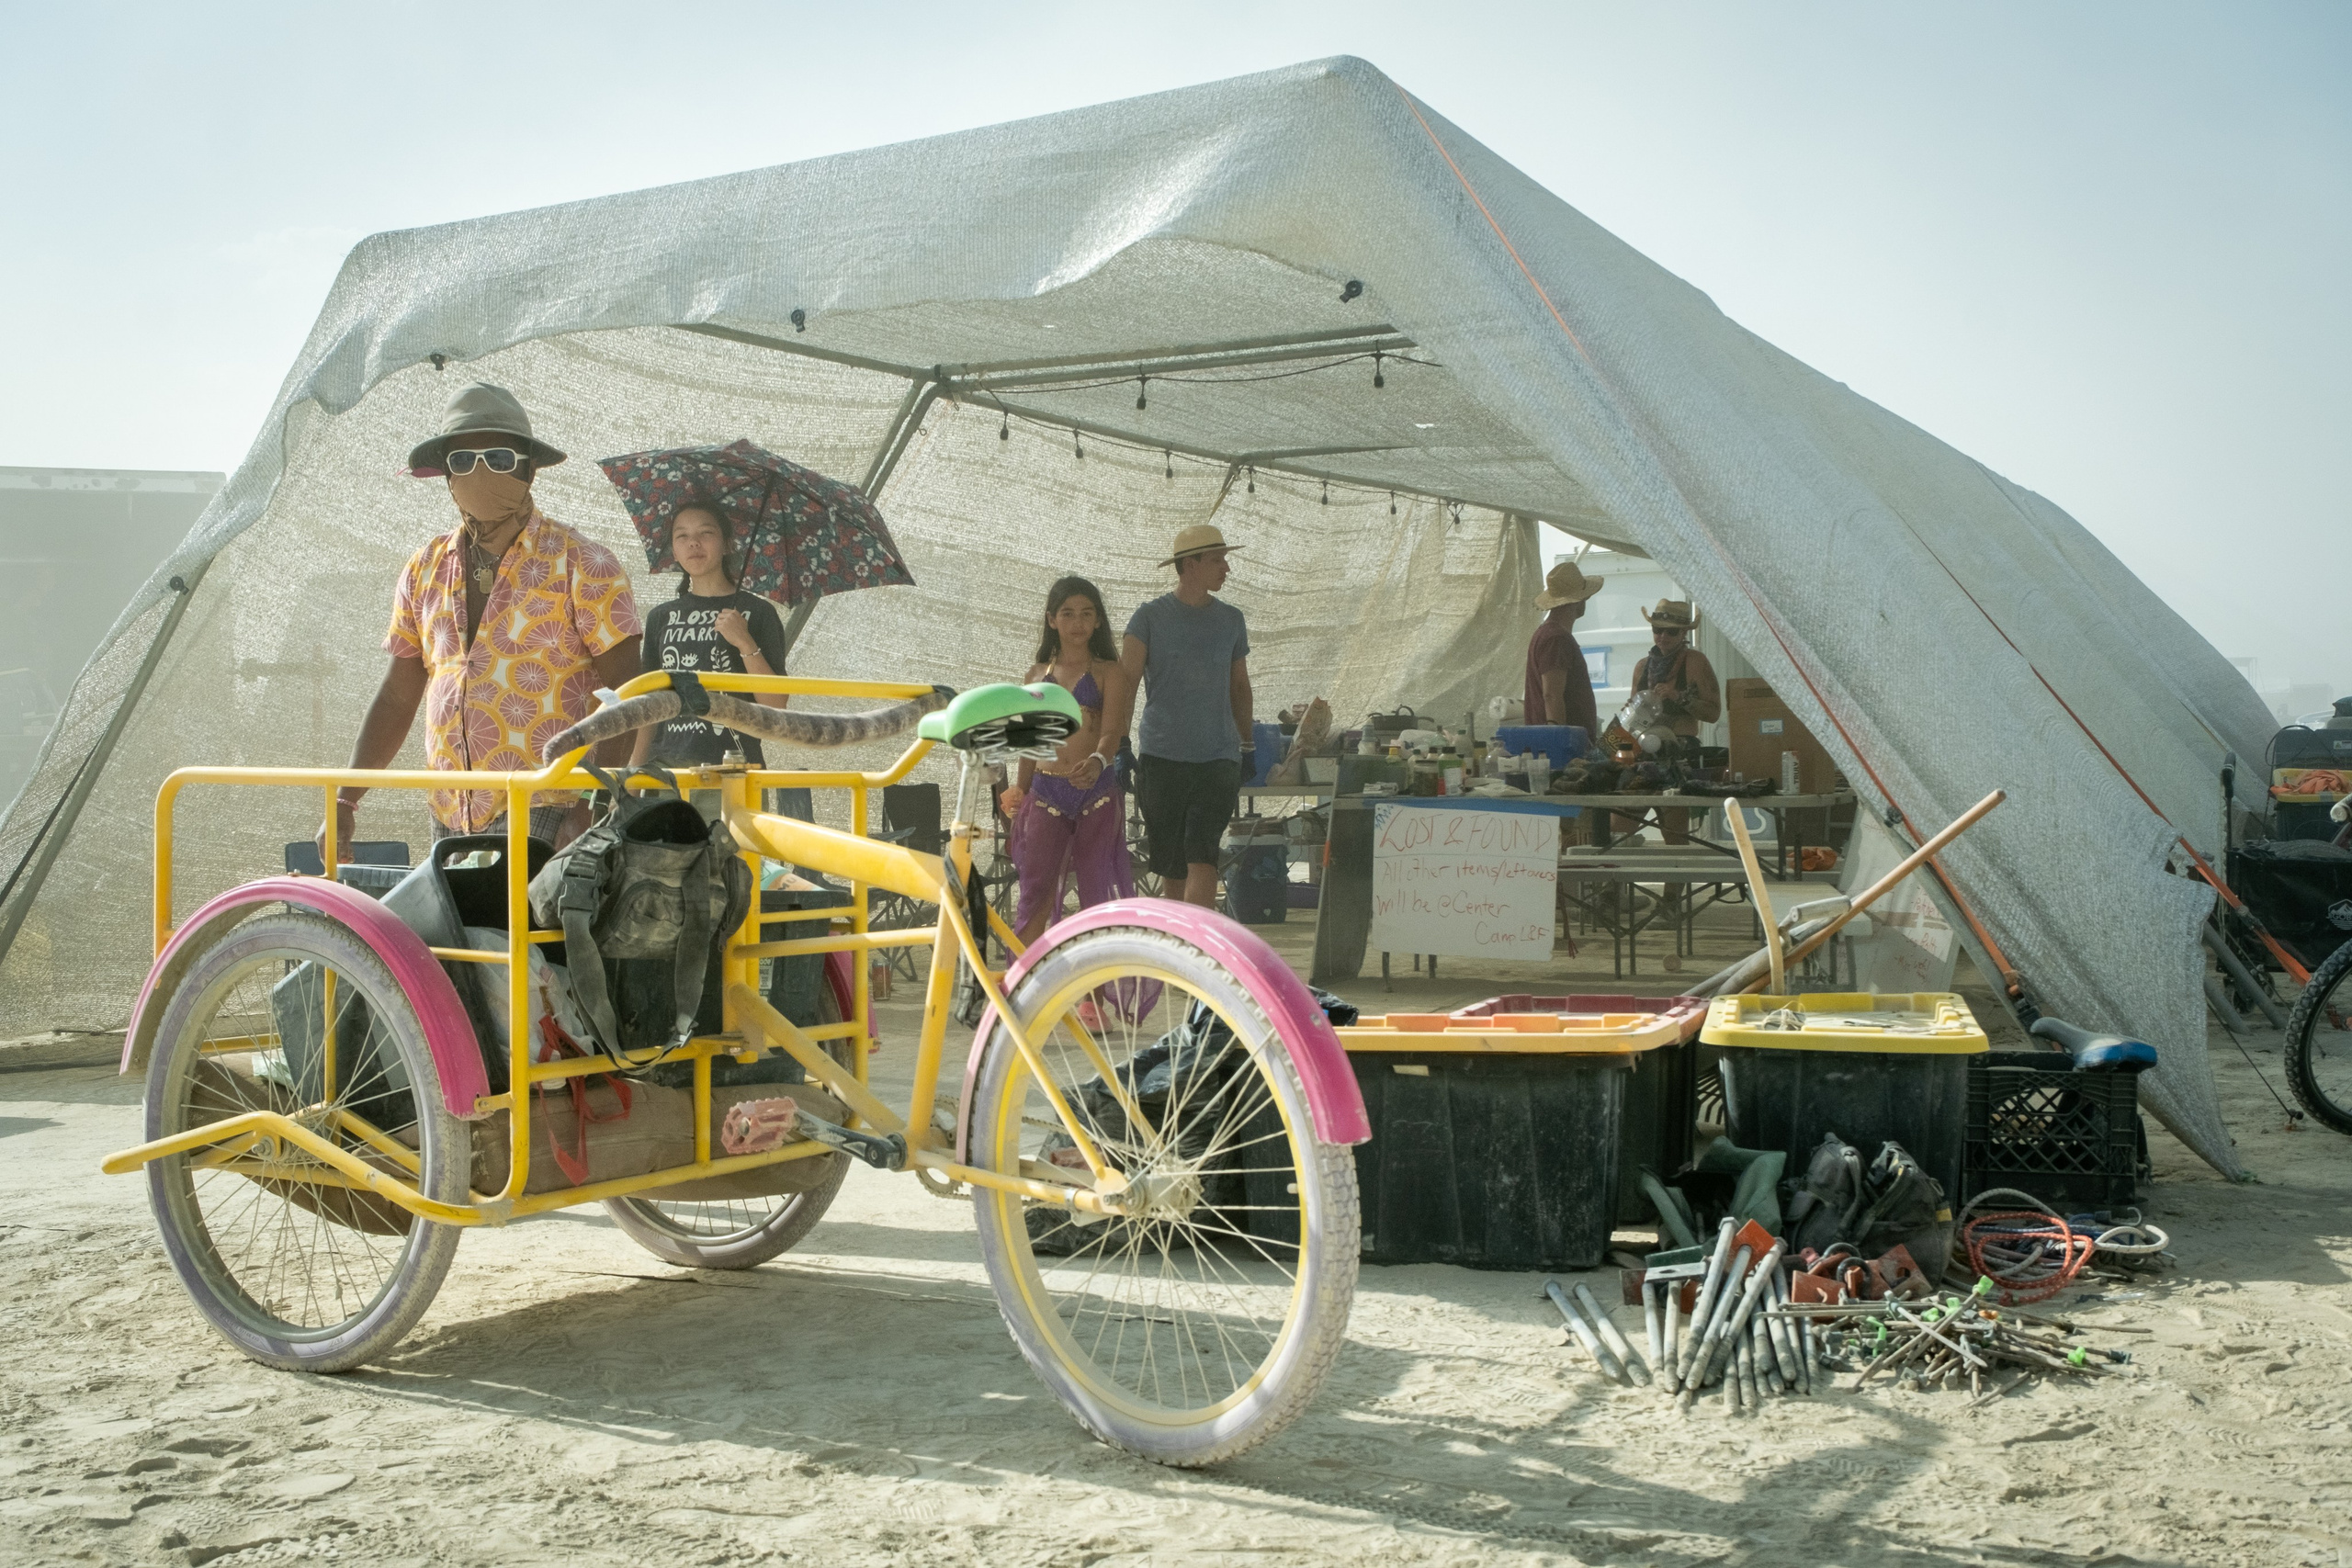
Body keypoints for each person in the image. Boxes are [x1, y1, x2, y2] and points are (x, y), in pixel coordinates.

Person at [318, 383, 641, 863]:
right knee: (463, 938)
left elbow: (627, 692)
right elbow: (398, 694)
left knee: (540, 938)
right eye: (463, 462)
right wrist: (346, 797)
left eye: (500, 458)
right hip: (453, 809)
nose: (481, 473)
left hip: (551, 804)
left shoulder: (583, 563)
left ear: (529, 469)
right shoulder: (425, 567)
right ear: (446, 475)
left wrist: (593, 805)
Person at [1098, 524, 1252, 910]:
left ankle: (1194, 943)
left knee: (1204, 855)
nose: (1226, 568)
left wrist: (1247, 745)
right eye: (1217, 560)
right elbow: (1126, 682)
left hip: (1218, 757)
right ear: (1190, 565)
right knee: (1171, 863)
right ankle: (1177, 940)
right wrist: (1118, 742)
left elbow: (1239, 686)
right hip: (1162, 756)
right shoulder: (1149, 618)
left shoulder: (1232, 620)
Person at [997, 577, 1136, 945]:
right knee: (1034, 892)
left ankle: (1095, 996)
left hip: (1097, 791)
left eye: (1087, 614)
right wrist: (1019, 788)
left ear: (1098, 621)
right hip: (1046, 791)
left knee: (1095, 895)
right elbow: (1031, 743)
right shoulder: (1035, 675)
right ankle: (1022, 987)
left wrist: (1097, 761)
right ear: (1051, 620)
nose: (1078, 623)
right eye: (1068, 614)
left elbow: (1113, 732)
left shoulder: (1110, 671)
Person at [630, 501, 790, 773]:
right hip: (666, 772)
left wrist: (745, 642)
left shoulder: (758, 612)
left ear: (728, 544)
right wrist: (631, 772)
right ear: (674, 551)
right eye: (682, 536)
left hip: (735, 771)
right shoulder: (661, 616)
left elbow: (776, 706)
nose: (694, 543)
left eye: (706, 533)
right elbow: (649, 703)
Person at [1525, 560, 1601, 737]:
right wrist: (1558, 742)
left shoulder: (1548, 634)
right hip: (1561, 750)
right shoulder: (1556, 639)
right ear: (1578, 601)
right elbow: (1552, 695)